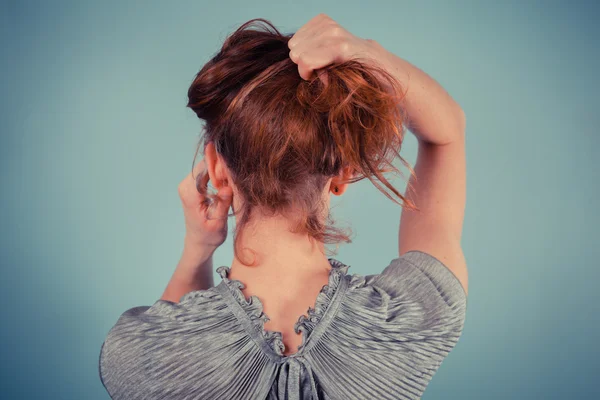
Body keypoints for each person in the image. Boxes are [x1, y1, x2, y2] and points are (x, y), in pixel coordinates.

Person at [99, 14, 468, 400]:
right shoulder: (413, 321)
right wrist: (366, 52)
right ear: (343, 172)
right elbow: (447, 132)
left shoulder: (140, 356)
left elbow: (169, 343)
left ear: (216, 170)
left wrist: (197, 251)